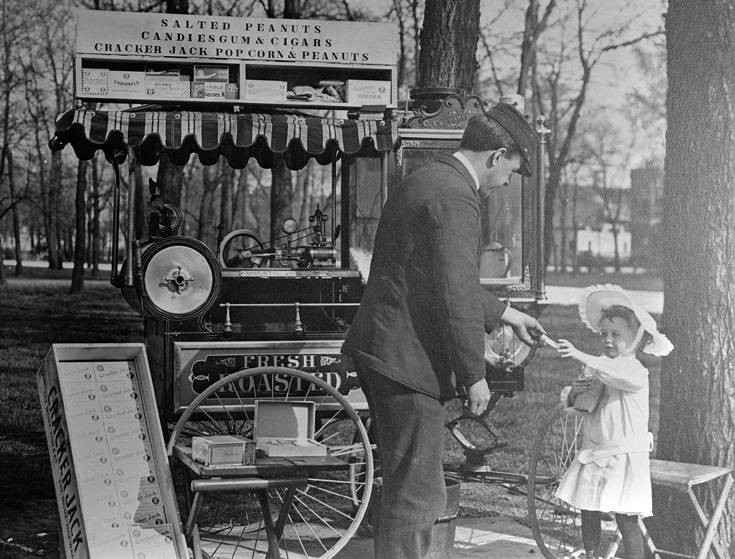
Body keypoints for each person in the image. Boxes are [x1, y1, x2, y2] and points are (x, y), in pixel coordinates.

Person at [341, 105, 546, 559]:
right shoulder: (456, 196)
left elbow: (436, 277)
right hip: (406, 362)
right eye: (509, 172)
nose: (505, 183)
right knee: (417, 497)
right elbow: (453, 293)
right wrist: (475, 375)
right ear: (496, 156)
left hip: (388, 352)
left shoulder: (429, 179)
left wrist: (507, 313)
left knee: (410, 488)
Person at [555, 284, 674, 559]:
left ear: (636, 339)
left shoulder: (636, 372)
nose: (608, 340)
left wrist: (579, 354)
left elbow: (615, 375)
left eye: (616, 335)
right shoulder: (598, 366)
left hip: (625, 457)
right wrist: (576, 391)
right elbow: (584, 406)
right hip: (596, 452)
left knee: (626, 518)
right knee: (589, 508)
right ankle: (592, 554)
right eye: (604, 334)